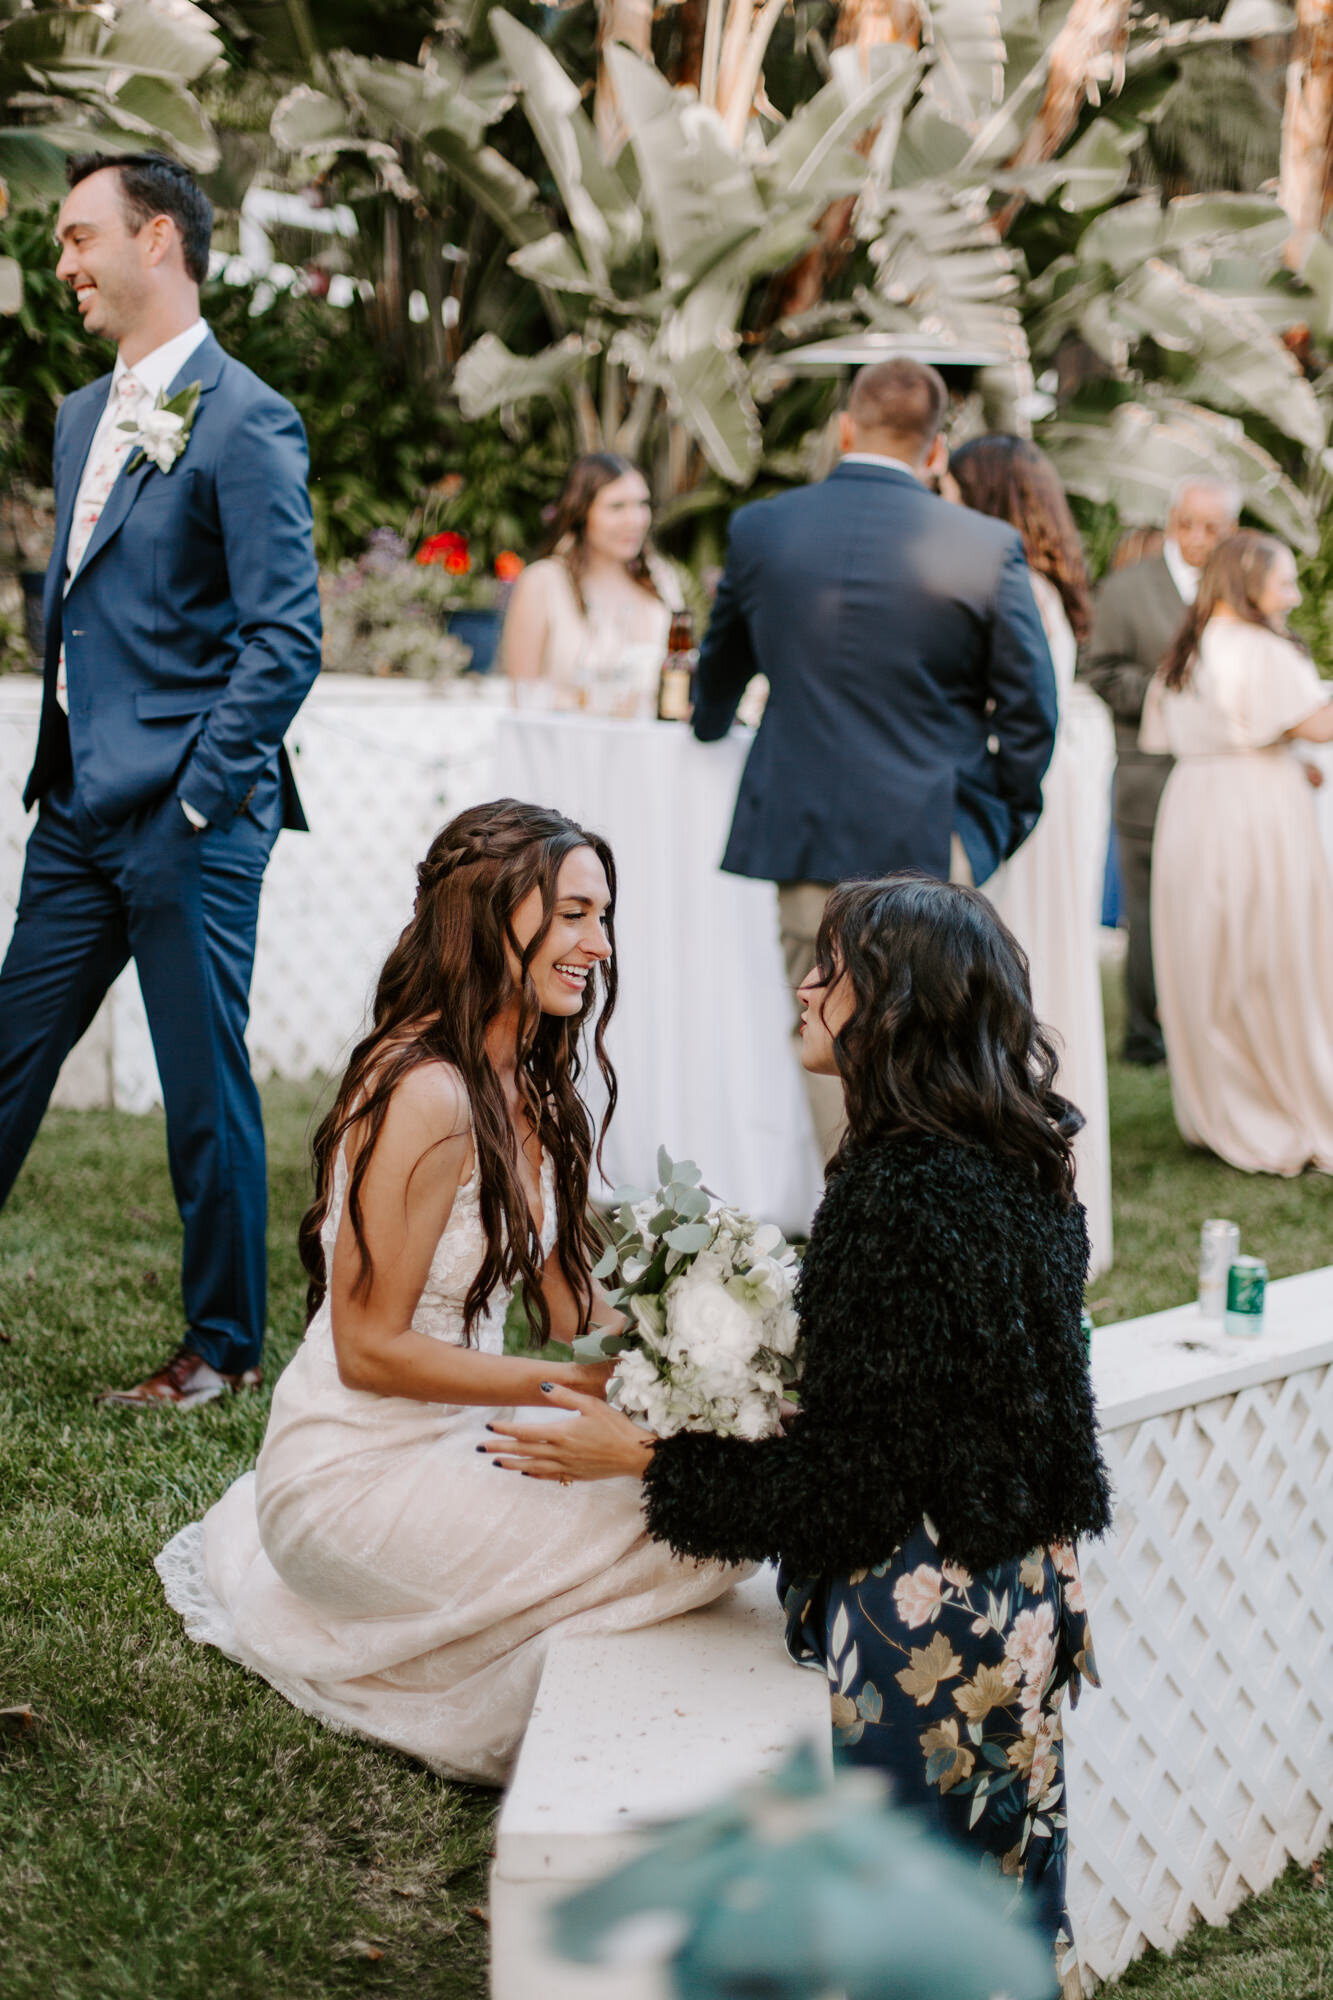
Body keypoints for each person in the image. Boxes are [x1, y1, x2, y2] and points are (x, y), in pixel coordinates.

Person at [487, 875, 1113, 1997]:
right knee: (998, 1924)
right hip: (1029, 1592)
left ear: (896, 1007)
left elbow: (856, 1486)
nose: (804, 984)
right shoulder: (1021, 1162)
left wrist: (642, 1459)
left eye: (831, 970)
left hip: (931, 1629)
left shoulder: (895, 1191)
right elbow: (942, 1406)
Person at [155, 800, 739, 1781]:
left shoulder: (538, 1077)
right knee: (699, 1528)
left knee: (714, 1494)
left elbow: (571, 1315)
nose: (599, 943)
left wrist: (716, 1346)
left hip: (456, 1436)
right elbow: (366, 1348)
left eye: (604, 916)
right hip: (353, 1469)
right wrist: (565, 1394)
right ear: (490, 912)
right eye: (574, 914)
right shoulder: (421, 1088)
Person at [0, 153, 322, 1408]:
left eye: (82, 238)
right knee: (13, 1050)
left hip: (191, 817)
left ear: (159, 243)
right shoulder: (85, 414)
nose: (65, 262)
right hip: (78, 809)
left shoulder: (249, 419)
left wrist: (194, 800)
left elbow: (284, 637)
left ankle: (224, 1347)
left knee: (203, 1090)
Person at [691, 359, 1058, 1160]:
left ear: (844, 429)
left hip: (806, 834)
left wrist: (707, 724)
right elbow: (1031, 710)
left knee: (828, 1040)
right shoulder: (984, 544)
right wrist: (994, 818)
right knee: (938, 1045)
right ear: (935, 449)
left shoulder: (765, 527)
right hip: (934, 836)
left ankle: (852, 1223)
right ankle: (919, 1227)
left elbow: (717, 672)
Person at [948, 436, 1113, 1276]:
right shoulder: (1037, 583)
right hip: (1037, 794)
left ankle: (1032, 1194)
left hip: (1020, 809)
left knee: (1019, 979)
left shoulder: (1019, 588)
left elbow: (1020, 712)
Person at [1143, 533, 1333, 1174]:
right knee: (1271, 955)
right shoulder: (1258, 648)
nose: (1295, 593)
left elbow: (1177, 731)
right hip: (1255, 815)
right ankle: (1276, 1103)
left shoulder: (1189, 649)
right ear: (1249, 583)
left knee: (1211, 960)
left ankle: (1218, 1107)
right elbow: (1317, 723)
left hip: (1194, 804)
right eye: (1284, 582)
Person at [1080, 477, 1239, 1065]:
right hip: (1150, 778)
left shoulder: (1241, 586)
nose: (1198, 539)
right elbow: (1099, 671)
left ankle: (1215, 1028)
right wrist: (1171, 695)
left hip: (1229, 782)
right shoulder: (1125, 589)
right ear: (1172, 520)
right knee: (1147, 913)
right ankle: (1146, 1035)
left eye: (1212, 528)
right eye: (1188, 525)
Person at [499, 453, 677, 713]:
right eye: (617, 507)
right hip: (570, 746)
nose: (635, 520)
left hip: (652, 748)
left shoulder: (661, 579)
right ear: (582, 512)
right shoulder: (543, 582)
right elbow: (523, 696)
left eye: (642, 504)